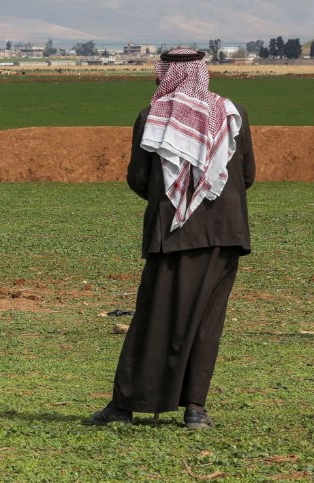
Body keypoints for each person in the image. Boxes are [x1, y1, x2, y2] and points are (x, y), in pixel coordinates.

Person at [89, 48, 255, 430]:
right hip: (225, 233)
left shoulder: (152, 117)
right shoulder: (233, 113)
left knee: (153, 317)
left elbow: (139, 178)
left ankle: (125, 406)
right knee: (206, 320)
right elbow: (246, 176)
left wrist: (173, 200)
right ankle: (195, 409)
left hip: (172, 233)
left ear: (165, 74)